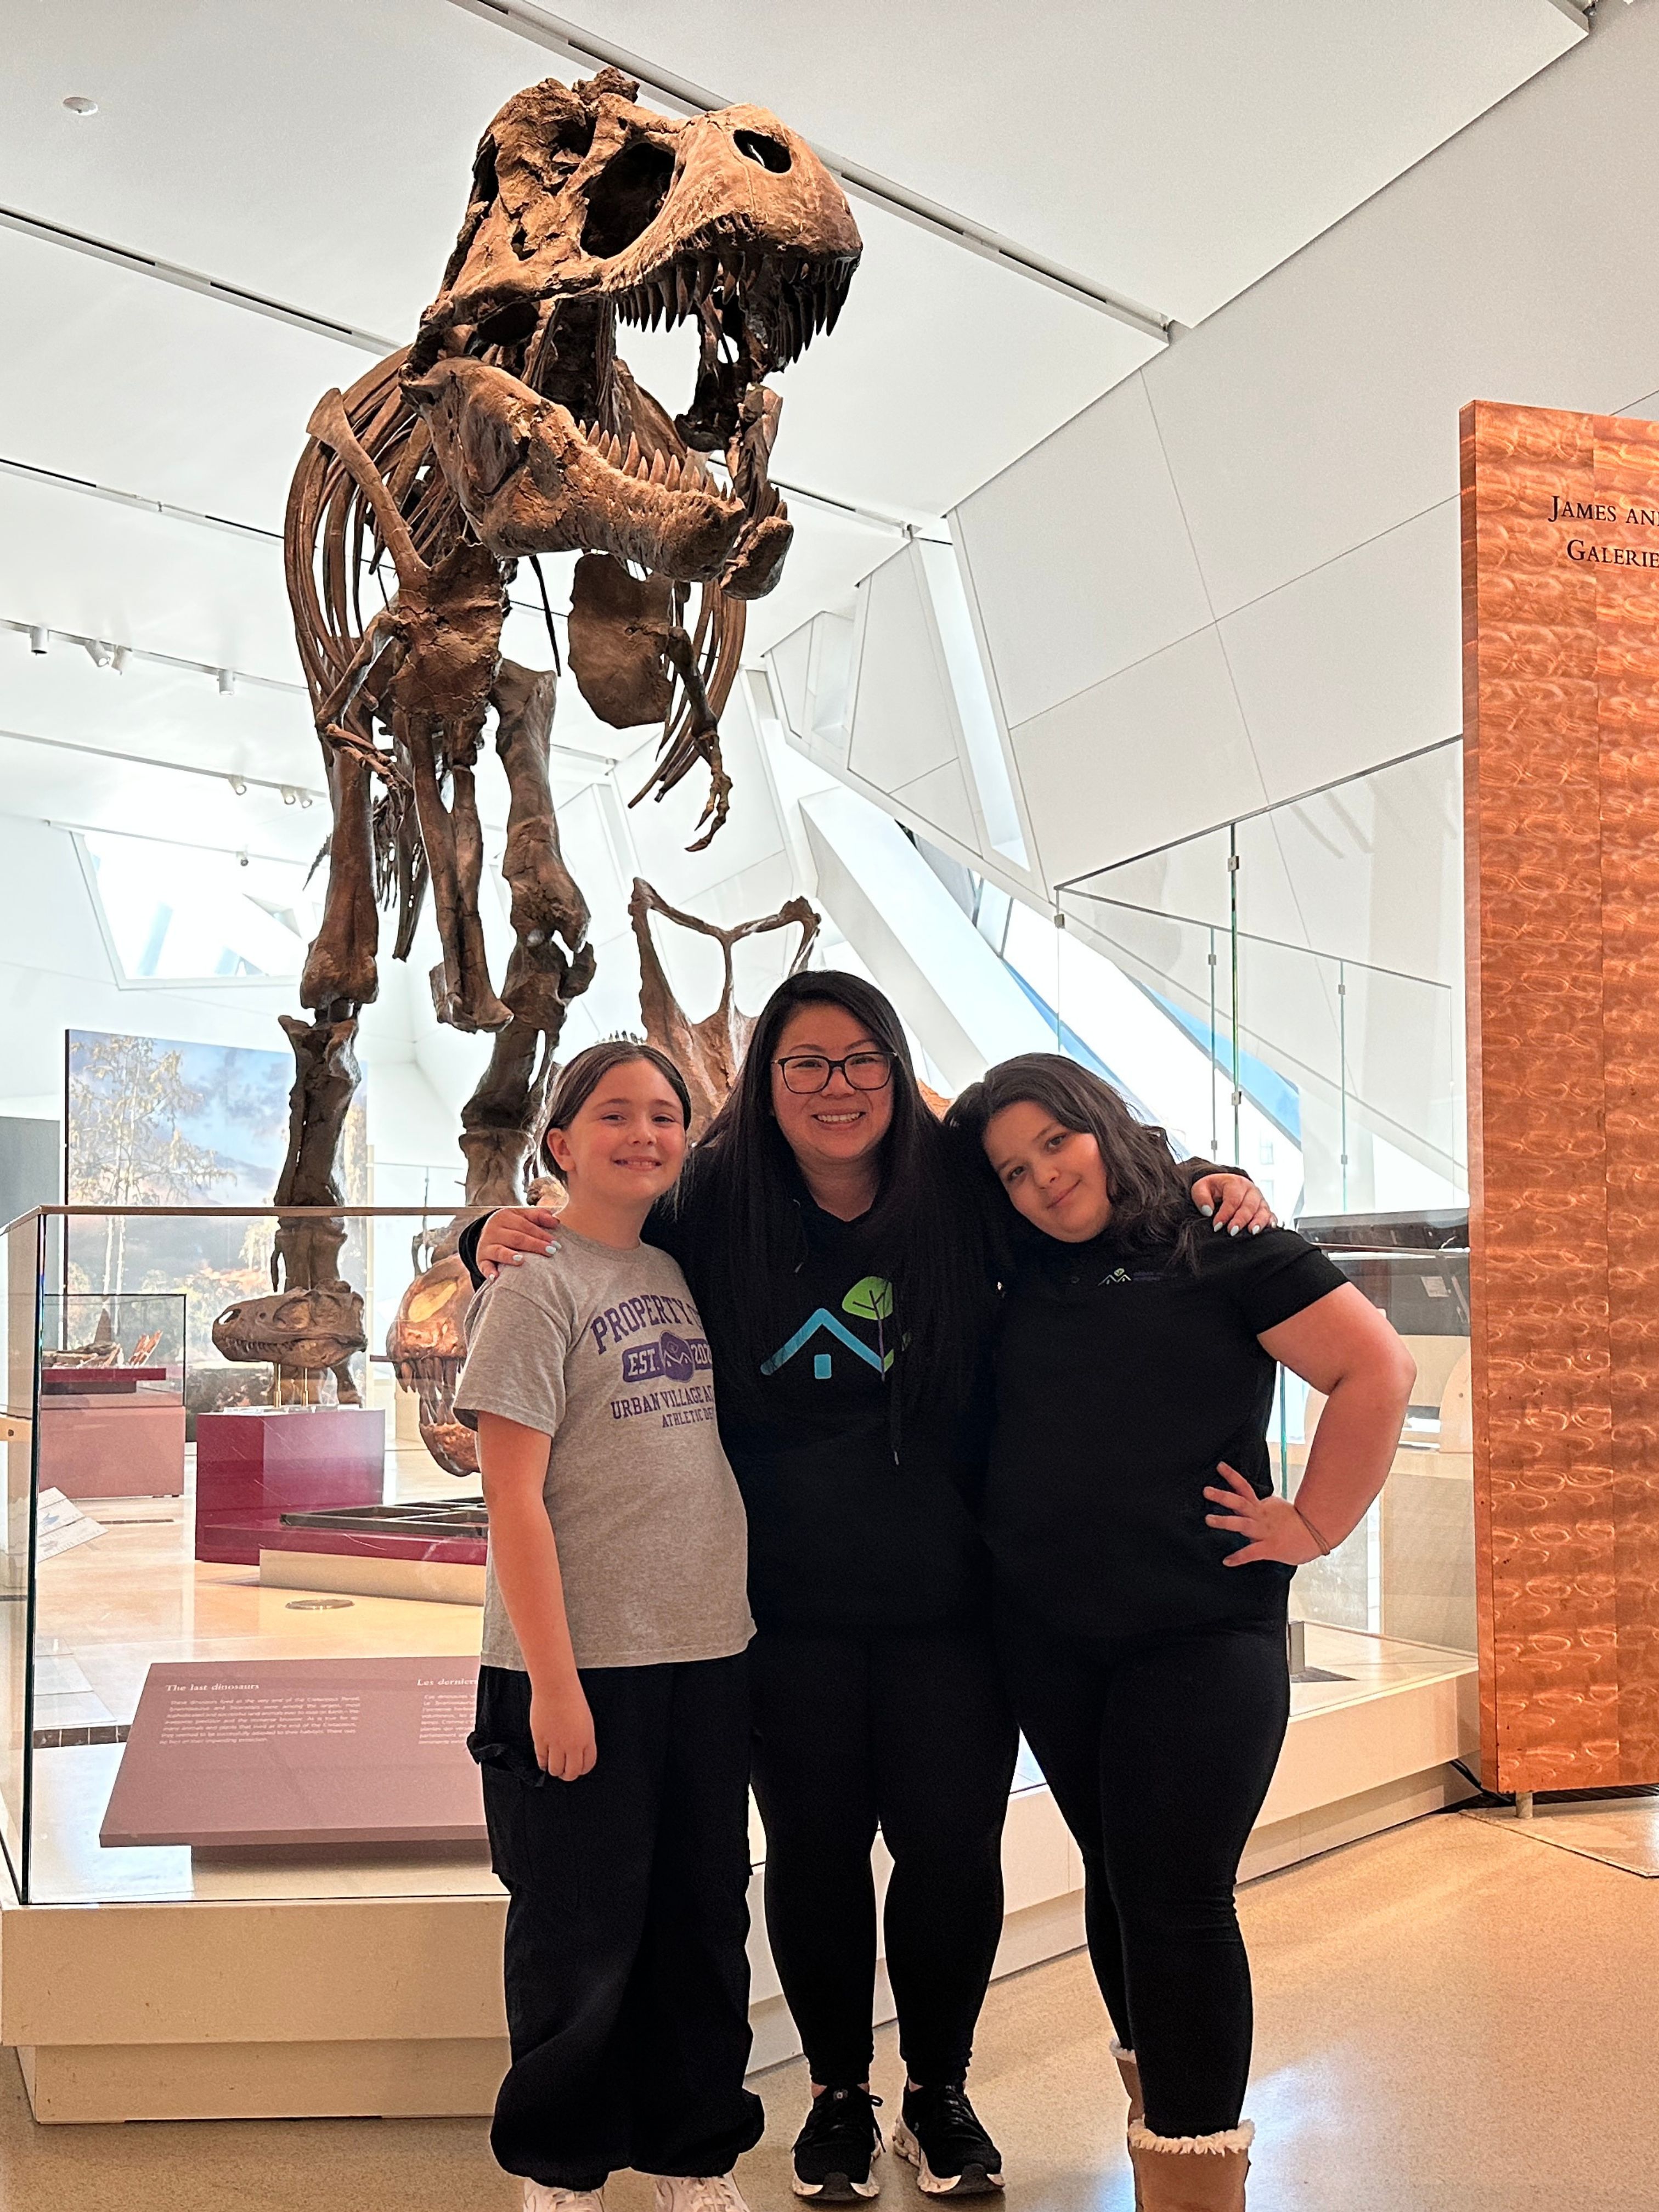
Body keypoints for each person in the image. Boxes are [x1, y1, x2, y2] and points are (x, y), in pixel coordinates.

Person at [465, 975, 1269, 2203]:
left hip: (953, 1605)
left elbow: (1081, 1178)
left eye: (860, 1063)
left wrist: (1211, 1172)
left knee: (953, 1855)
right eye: (805, 1065)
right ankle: (839, 2093)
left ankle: (938, 2091)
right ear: (766, 1086)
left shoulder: (952, 1193)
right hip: (781, 1613)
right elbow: (589, 1223)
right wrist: (480, 1234)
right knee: (814, 1855)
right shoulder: (710, 1202)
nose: (836, 1088)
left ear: (896, 1073)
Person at [945, 1055, 1415, 2212]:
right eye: (1013, 1168)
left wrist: (1312, 1522)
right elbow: (876, 1122)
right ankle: (1167, 2133)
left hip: (1201, 1635)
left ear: (1103, 1125)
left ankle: (1199, 2183)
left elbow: (1376, 1368)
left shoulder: (1223, 1240)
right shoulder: (1016, 1272)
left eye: (1058, 1141)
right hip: (1051, 1639)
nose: (1045, 1178)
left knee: (1176, 1894)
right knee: (1120, 1877)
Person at [454, 1041, 762, 2212]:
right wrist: (555, 1682)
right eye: (617, 1114)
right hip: (581, 1670)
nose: (645, 1133)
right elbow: (512, 1500)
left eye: (666, 1116)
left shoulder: (677, 1269)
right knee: (575, 1932)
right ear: (561, 1143)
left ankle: (692, 2154)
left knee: (699, 1919)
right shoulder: (535, 1280)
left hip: (705, 1655)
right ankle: (562, 2167)